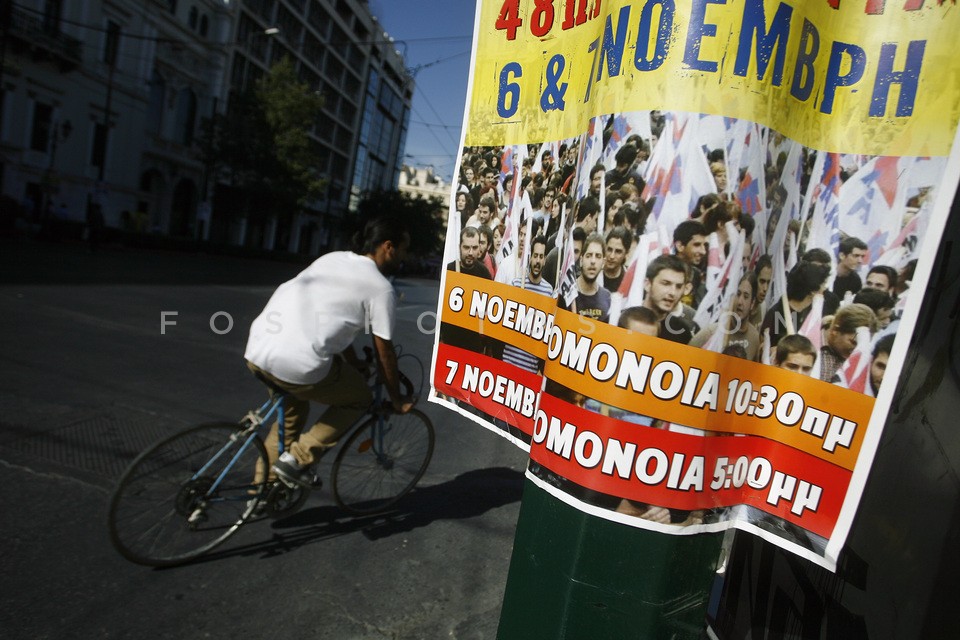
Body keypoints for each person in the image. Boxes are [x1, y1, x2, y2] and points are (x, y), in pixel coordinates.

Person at [244, 216, 413, 487]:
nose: (406, 256)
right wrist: (396, 399)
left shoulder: (333, 258)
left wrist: (354, 361)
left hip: (258, 348)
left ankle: (262, 491)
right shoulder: (381, 289)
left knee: (290, 418)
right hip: (297, 364)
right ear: (388, 247)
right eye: (404, 249)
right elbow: (385, 353)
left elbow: (330, 317)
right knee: (359, 398)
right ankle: (298, 459)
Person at [502, 235, 554, 372]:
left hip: (529, 368)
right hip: (508, 362)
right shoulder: (517, 284)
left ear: (545, 260)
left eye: (541, 257)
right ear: (530, 257)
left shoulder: (549, 292)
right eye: (535, 255)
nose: (537, 260)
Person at [643, 254, 696, 344]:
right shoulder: (621, 318)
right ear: (648, 284)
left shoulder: (681, 332)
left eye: (678, 286)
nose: (673, 292)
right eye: (665, 283)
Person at [819, 303, 878, 382]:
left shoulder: (863, 358)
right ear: (835, 330)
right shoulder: (812, 342)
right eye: (853, 342)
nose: (857, 349)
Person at [572, 232, 611, 323]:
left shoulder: (607, 298)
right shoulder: (568, 294)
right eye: (589, 256)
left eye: (598, 256)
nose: (593, 261)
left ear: (603, 262)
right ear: (581, 260)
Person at [601, 226, 632, 293]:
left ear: (626, 253)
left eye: (618, 251)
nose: (612, 256)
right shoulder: (594, 274)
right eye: (609, 249)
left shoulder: (629, 282)